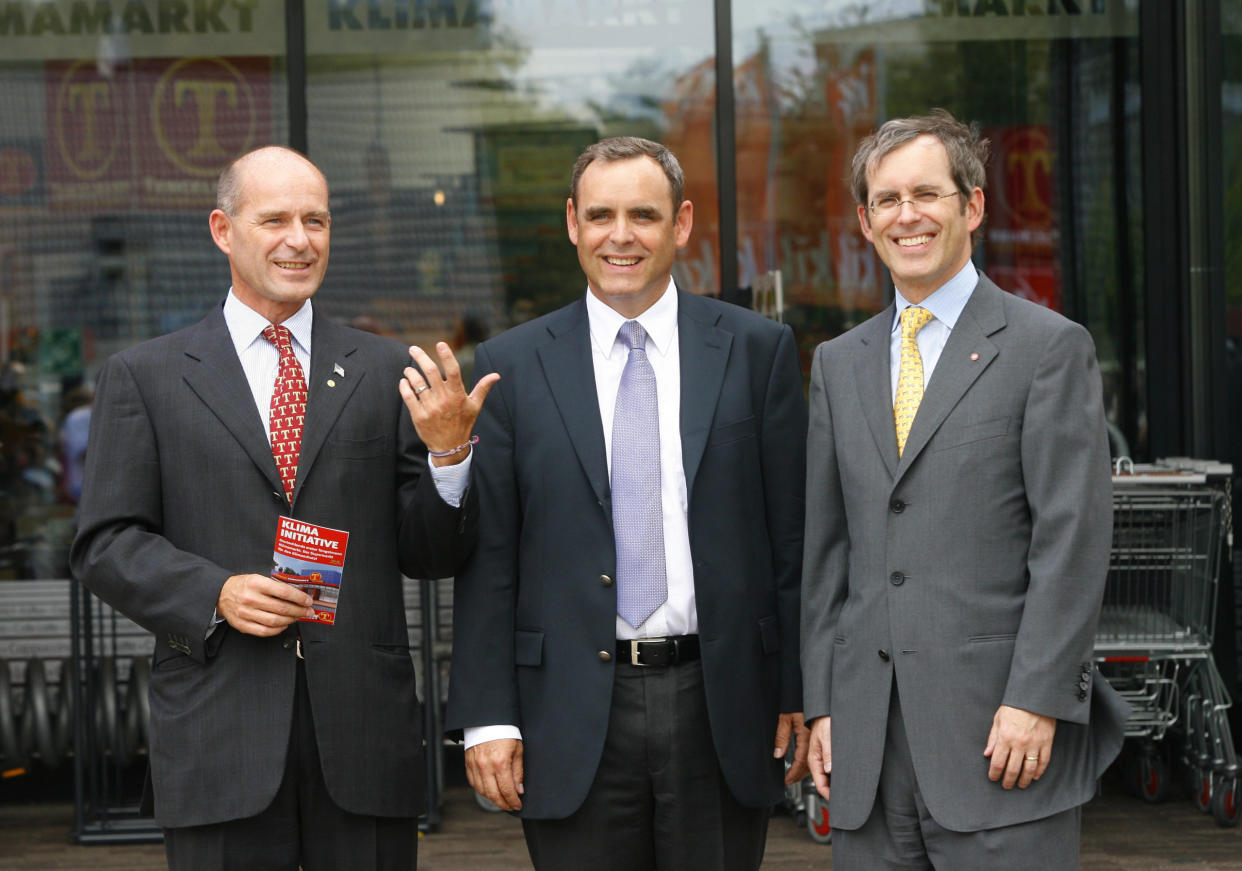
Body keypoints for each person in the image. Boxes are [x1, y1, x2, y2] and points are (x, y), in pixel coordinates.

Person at [70, 145, 496, 870]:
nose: (300, 239)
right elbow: (105, 543)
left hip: (363, 736)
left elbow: (429, 551)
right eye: (275, 219)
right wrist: (216, 591)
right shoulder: (145, 377)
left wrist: (449, 457)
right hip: (220, 734)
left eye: (316, 220)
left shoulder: (386, 370)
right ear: (221, 228)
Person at [445, 136, 809, 871]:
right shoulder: (511, 365)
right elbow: (492, 558)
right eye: (602, 214)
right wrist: (487, 714)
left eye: (642, 214)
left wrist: (801, 690)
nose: (621, 235)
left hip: (722, 703)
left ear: (680, 224)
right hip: (569, 710)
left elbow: (793, 540)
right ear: (573, 223)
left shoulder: (756, 349)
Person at [800, 109, 1130, 870]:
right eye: (886, 199)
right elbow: (826, 552)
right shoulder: (838, 364)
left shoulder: (1049, 348)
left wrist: (1038, 698)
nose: (906, 215)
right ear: (864, 220)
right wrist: (821, 701)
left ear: (972, 206)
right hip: (866, 750)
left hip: (1001, 741)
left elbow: (1071, 541)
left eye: (926, 193)